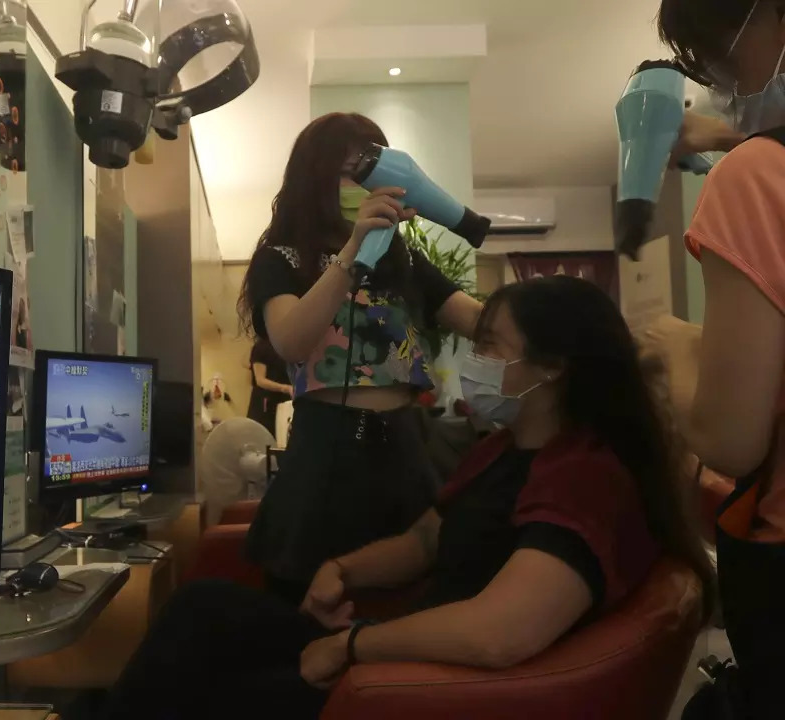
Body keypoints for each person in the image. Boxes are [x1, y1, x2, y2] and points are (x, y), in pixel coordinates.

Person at [89, 276, 713, 720]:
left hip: (438, 688)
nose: (475, 357)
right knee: (202, 608)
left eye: (491, 344)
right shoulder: (503, 449)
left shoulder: (587, 476)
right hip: (406, 651)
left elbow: (501, 632)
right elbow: (424, 541)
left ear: (551, 367)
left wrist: (352, 645)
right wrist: (343, 568)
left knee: (207, 694)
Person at [236, 112, 483, 604]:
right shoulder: (282, 259)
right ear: (314, 179)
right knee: (308, 607)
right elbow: (289, 340)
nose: (362, 185)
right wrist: (351, 254)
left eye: (371, 170)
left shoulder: (405, 261)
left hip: (408, 452)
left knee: (413, 595)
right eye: (347, 172)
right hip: (326, 453)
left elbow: (479, 321)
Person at [650, 1, 785, 714]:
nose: (726, 84)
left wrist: (677, 345)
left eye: (724, 59)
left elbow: (731, 440)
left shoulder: (755, 178)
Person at [248, 336, 293, 434]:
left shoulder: (287, 348)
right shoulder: (262, 347)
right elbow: (260, 380)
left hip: (285, 404)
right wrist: (285, 388)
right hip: (265, 405)